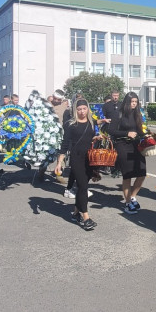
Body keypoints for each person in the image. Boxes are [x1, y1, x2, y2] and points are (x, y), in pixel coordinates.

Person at [59, 98, 98, 231]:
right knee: (83, 187)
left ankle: (75, 213)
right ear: (75, 110)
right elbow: (64, 145)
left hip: (89, 159)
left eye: (84, 109)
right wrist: (59, 163)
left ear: (87, 109)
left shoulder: (91, 122)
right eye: (79, 109)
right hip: (76, 158)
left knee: (83, 186)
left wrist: (96, 138)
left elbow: (90, 138)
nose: (82, 111)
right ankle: (86, 217)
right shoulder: (71, 124)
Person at [109, 92, 148, 213]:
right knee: (128, 175)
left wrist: (149, 136)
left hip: (136, 146)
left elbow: (140, 131)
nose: (134, 104)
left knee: (142, 173)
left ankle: (132, 196)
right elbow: (111, 130)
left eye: (136, 102)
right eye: (132, 102)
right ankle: (127, 204)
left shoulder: (137, 114)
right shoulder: (118, 114)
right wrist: (127, 133)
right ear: (127, 102)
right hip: (122, 146)